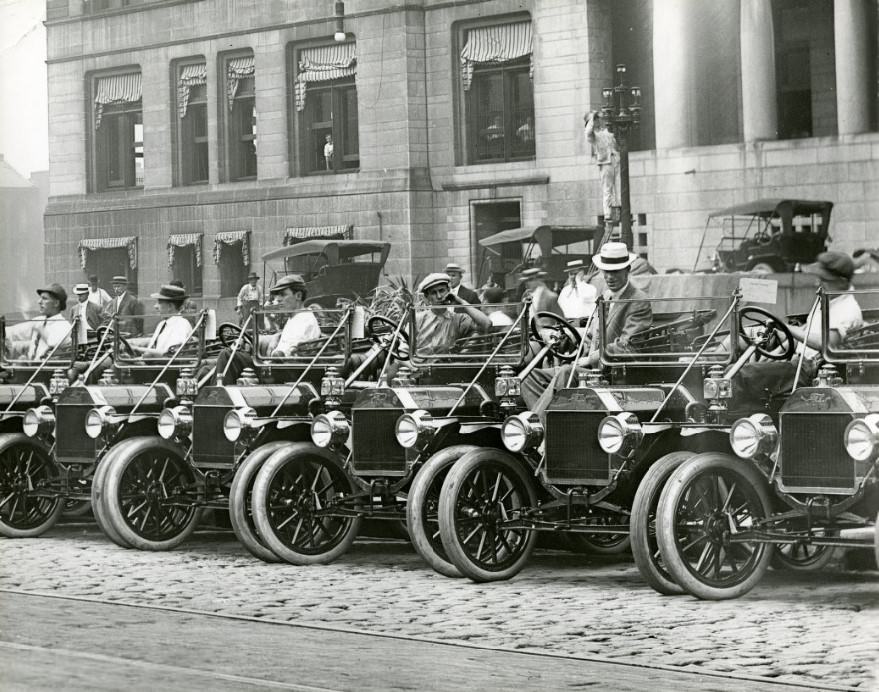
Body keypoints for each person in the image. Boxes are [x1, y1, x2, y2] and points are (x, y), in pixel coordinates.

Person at [521, 242, 652, 411]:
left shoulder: (637, 301)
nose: (610, 277)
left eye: (615, 271)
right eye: (606, 271)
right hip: (588, 369)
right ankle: (549, 425)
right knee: (530, 377)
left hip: (612, 374)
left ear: (627, 270)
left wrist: (590, 358)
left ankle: (538, 428)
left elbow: (628, 347)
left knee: (566, 373)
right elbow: (592, 336)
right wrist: (569, 341)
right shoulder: (605, 297)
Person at [731, 251, 863, 405]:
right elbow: (807, 332)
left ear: (841, 281)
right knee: (735, 362)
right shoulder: (827, 300)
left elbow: (826, 344)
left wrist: (786, 327)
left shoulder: (848, 309)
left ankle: (729, 417)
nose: (817, 284)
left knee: (740, 375)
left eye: (823, 280)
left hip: (812, 371)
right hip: (799, 361)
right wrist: (779, 339)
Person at [215, 274, 321, 384]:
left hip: (283, 372)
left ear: (298, 296)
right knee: (206, 369)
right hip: (275, 367)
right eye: (277, 295)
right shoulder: (295, 317)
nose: (278, 299)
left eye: (283, 294)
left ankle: (216, 394)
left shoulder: (305, 320)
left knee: (227, 355)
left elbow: (287, 353)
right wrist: (269, 339)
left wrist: (271, 353)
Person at [413, 273, 491, 358]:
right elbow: (403, 351)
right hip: (420, 368)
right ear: (427, 297)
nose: (439, 296)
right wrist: (416, 369)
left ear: (448, 291)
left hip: (447, 368)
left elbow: (486, 324)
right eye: (433, 293)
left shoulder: (458, 319)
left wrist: (460, 301)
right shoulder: (418, 319)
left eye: (442, 291)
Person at [5, 284, 72, 360]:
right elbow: (15, 332)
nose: (39, 302)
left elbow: (53, 342)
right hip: (32, 367)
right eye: (40, 298)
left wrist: (40, 329)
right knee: (21, 360)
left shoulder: (64, 325)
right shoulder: (39, 321)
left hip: (48, 369)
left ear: (56, 303)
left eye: (45, 298)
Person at [128, 284, 195, 358]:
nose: (155, 306)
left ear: (170, 306)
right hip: (152, 364)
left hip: (165, 367)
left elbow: (169, 354)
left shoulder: (181, 325)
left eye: (159, 303)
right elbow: (153, 347)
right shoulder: (162, 324)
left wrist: (137, 349)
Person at [585, 110, 620, 223]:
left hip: (614, 160)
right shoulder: (592, 135)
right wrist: (591, 118)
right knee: (607, 189)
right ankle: (608, 213)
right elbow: (588, 131)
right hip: (605, 162)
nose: (598, 121)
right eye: (596, 119)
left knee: (615, 188)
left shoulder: (605, 131)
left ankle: (616, 211)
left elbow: (614, 141)